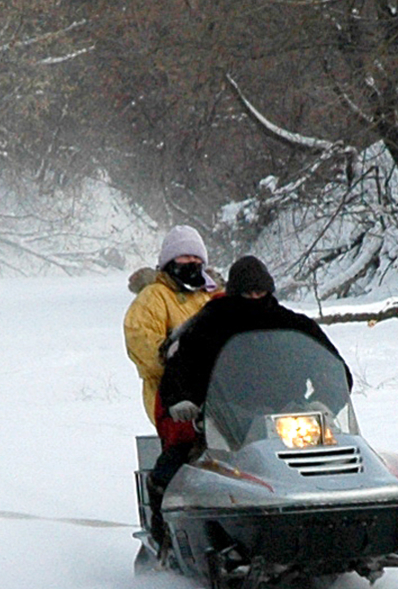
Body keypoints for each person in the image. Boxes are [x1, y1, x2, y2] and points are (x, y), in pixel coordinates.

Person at [146, 255, 352, 548]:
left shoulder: (292, 324)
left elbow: (331, 366)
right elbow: (181, 366)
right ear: (235, 293)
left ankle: (344, 524)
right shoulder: (211, 323)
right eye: (248, 293)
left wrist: (325, 402)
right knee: (169, 472)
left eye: (261, 292)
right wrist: (181, 399)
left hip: (290, 417)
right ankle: (164, 542)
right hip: (227, 420)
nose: (255, 299)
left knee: (336, 466)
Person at [122, 225, 221, 424]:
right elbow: (141, 342)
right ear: (170, 261)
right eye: (185, 257)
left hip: (219, 392)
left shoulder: (210, 296)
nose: (192, 262)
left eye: (196, 257)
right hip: (174, 398)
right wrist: (172, 352)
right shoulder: (154, 296)